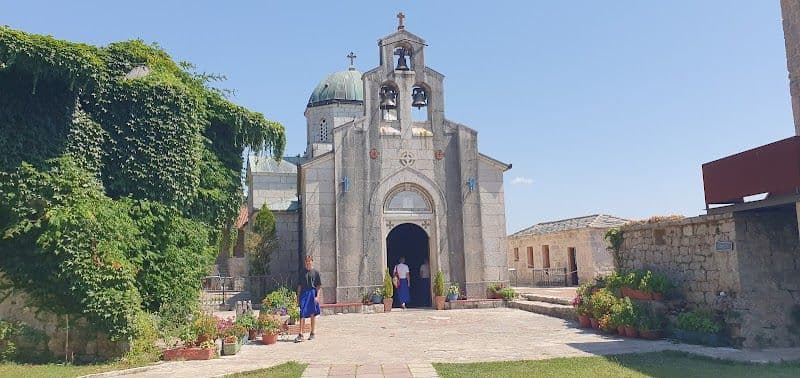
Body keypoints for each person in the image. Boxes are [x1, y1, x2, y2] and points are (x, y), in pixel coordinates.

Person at [295, 255, 321, 342]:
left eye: (309, 261)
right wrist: (298, 297)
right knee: (302, 313)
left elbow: (318, 286)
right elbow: (299, 285)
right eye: (306, 261)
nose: (308, 263)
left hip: (312, 294)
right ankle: (300, 334)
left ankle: (312, 333)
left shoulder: (316, 273)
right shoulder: (302, 272)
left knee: (312, 314)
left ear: (312, 262)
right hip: (304, 293)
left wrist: (317, 297)